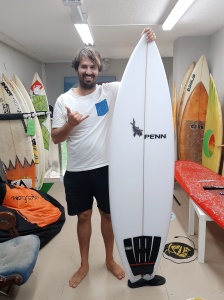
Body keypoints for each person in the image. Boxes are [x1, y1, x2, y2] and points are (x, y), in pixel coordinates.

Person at [51, 27, 156, 288]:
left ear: (99, 70)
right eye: (85, 66)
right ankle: (85, 264)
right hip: (76, 172)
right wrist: (70, 125)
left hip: (106, 170)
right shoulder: (64, 101)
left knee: (108, 216)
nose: (89, 71)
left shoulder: (109, 91)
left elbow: (139, 77)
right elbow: (55, 138)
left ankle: (109, 259)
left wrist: (147, 45)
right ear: (77, 68)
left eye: (94, 67)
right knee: (83, 218)